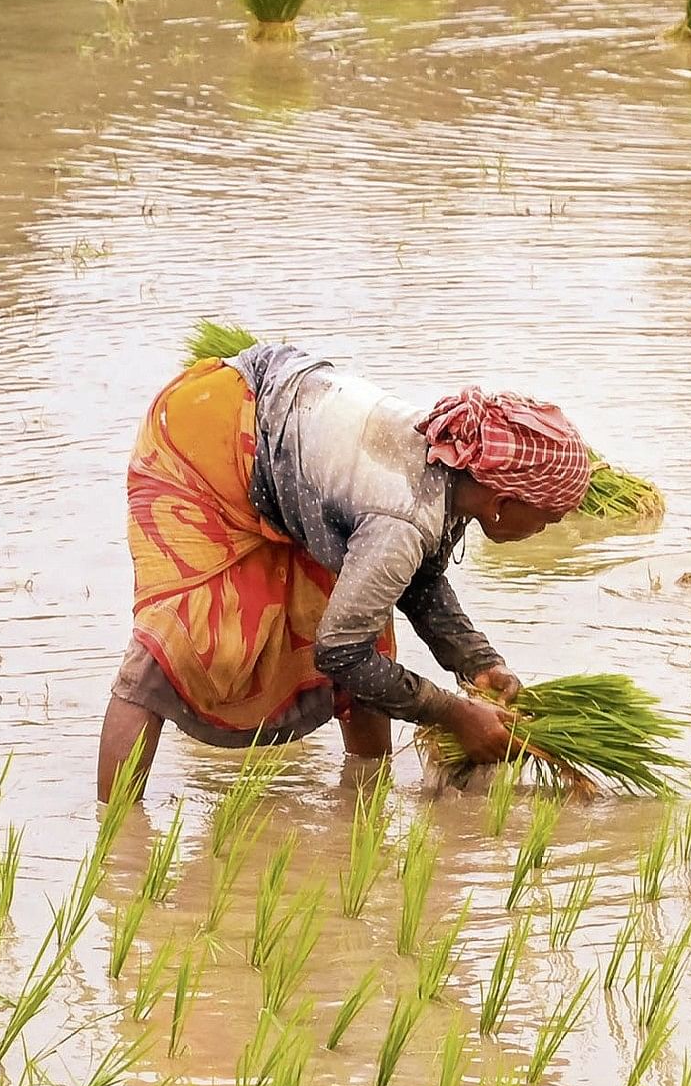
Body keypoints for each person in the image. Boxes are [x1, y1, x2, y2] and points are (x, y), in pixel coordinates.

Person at [98, 343, 587, 802]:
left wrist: (476, 662)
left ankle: (363, 795)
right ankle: (116, 832)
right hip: (205, 437)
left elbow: (421, 580)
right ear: (503, 502)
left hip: (290, 442)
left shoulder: (452, 469)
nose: (548, 529)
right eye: (548, 517)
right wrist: (455, 714)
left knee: (363, 627)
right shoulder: (400, 520)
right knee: (182, 642)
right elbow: (340, 654)